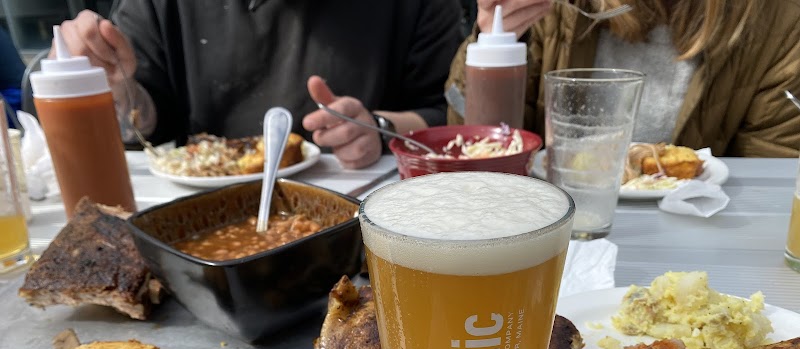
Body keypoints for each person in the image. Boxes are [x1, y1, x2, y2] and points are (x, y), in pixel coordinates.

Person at [56, 0, 463, 169]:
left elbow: (448, 117)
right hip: (198, 223)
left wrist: (379, 127)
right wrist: (112, 89)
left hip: (368, 227)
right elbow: (143, 121)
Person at [446, 0, 800, 157]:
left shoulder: (777, 22)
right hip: (547, 237)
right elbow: (473, 149)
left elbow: (770, 186)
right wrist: (496, 40)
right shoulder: (550, 8)